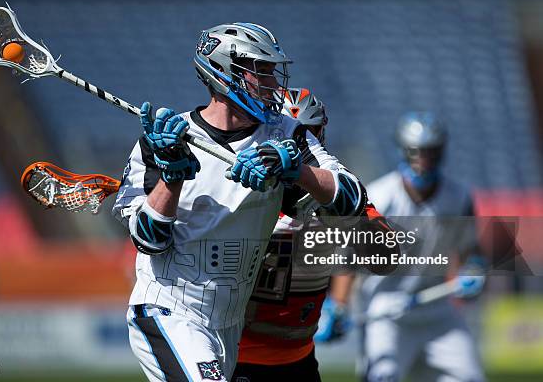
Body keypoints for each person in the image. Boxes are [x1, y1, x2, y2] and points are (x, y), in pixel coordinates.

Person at [112, 23, 368, 382]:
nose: (273, 83)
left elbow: (352, 198)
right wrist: (171, 176)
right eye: (260, 71)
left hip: (228, 327)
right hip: (170, 309)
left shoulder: (287, 133)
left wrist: (295, 168)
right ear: (222, 71)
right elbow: (149, 240)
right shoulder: (163, 141)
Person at [232, 88, 393, 382]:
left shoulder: (337, 189)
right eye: (290, 136)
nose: (299, 145)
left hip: (300, 358)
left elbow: (386, 257)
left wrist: (343, 217)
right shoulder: (237, 183)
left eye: (308, 135)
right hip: (235, 355)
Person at [358, 112, 487, 382]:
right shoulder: (379, 196)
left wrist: (473, 270)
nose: (424, 160)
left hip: (437, 311)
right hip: (387, 312)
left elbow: (468, 251)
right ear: (403, 151)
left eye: (431, 152)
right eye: (417, 152)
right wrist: (337, 304)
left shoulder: (458, 196)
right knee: (382, 376)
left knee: (470, 377)